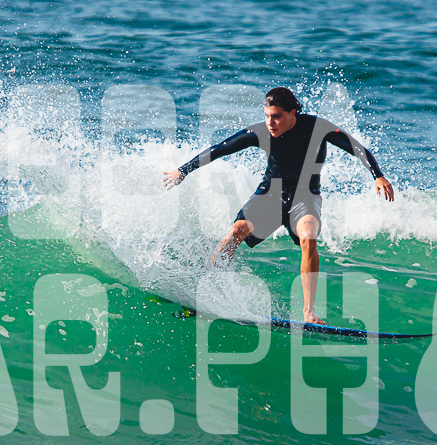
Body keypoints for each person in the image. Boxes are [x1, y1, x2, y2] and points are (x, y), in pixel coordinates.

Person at [163, 87, 394, 324]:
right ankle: (203, 292)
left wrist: (377, 175)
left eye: (276, 116)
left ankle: (309, 312)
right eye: (266, 116)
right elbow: (220, 149)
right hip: (270, 195)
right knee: (236, 230)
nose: (270, 123)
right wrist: (183, 170)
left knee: (308, 237)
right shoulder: (261, 132)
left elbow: (357, 148)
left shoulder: (317, 128)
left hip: (306, 198)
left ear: (293, 113)